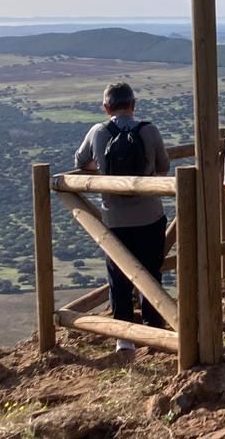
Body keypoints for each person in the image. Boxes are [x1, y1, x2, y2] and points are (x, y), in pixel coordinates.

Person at [73, 82, 171, 350]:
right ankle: (154, 330)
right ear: (133, 105)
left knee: (118, 277)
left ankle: (124, 337)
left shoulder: (98, 132)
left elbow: (79, 161)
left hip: (114, 219)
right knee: (151, 272)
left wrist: (102, 170)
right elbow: (164, 166)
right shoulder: (149, 130)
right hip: (151, 215)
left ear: (106, 107)